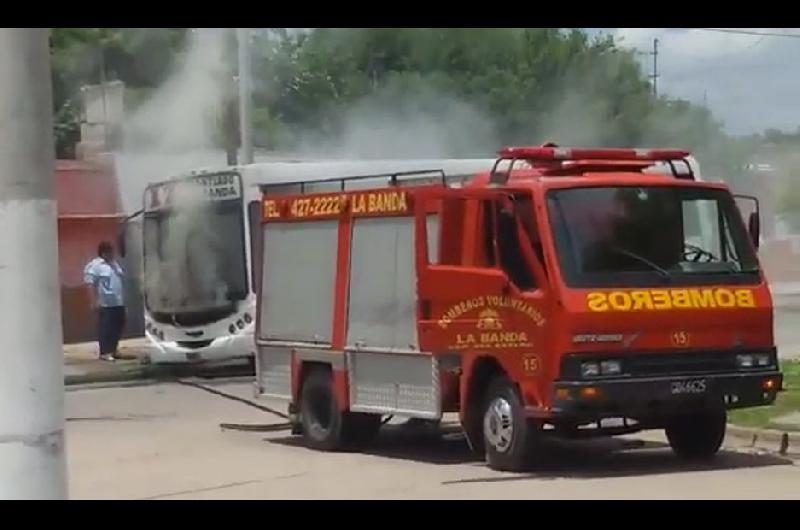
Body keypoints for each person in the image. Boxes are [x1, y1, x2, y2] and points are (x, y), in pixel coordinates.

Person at [83, 241, 126, 361]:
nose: (113, 254)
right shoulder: (95, 266)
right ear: (104, 253)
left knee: (118, 326)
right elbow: (90, 284)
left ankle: (113, 349)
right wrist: (93, 301)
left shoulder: (114, 264)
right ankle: (105, 352)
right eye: (110, 252)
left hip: (118, 302)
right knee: (106, 328)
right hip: (105, 303)